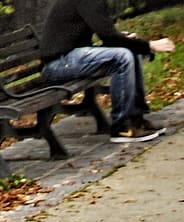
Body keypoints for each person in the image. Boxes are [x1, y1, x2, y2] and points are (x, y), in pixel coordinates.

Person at [39, 0, 175, 144]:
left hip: (70, 58)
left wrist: (123, 38)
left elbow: (108, 34)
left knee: (130, 52)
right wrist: (150, 45)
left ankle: (136, 119)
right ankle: (121, 127)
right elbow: (108, 37)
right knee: (122, 56)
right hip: (58, 64)